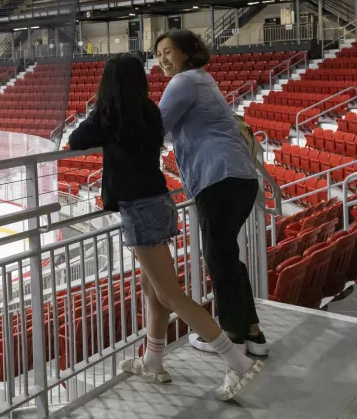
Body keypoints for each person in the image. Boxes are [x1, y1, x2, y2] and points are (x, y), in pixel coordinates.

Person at [68, 53, 263, 401]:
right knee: (153, 288)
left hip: (138, 208)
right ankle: (153, 360)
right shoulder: (149, 111)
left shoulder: (110, 114)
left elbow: (76, 140)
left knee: (170, 294)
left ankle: (238, 362)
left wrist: (94, 109)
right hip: (160, 202)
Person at [154, 29, 269, 357]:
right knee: (227, 257)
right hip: (238, 177)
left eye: (168, 51)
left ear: (187, 53)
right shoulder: (202, 79)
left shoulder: (184, 82)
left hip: (219, 177)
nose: (161, 58)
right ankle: (253, 333)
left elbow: (157, 125)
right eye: (158, 53)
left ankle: (232, 334)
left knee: (219, 258)